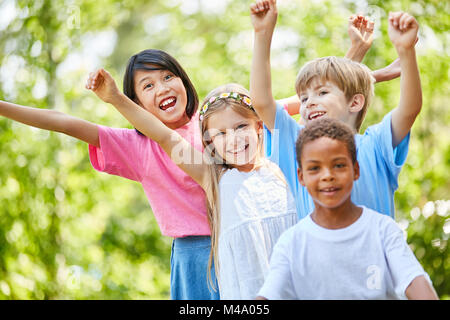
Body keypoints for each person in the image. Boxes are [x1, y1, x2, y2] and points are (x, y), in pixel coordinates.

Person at [0, 49, 219, 300]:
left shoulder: (213, 121)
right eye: (148, 85)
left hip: (239, 238)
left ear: (184, 80)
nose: (162, 88)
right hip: (193, 257)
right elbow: (63, 122)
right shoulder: (138, 147)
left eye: (168, 77)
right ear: (136, 106)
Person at [85, 71, 297, 299]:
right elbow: (165, 137)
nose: (234, 138)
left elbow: (323, 100)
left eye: (241, 127)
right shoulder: (216, 180)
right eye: (222, 133)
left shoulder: (282, 170)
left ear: (258, 126)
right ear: (210, 142)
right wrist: (116, 98)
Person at [250, 0, 422, 219]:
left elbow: (409, 109)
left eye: (322, 93)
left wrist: (406, 53)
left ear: (355, 102)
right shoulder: (297, 146)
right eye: (303, 98)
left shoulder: (377, 145)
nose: (309, 103)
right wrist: (262, 34)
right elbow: (262, 102)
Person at [256, 118, 438, 300]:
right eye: (314, 168)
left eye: (339, 165)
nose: (327, 176)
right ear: (301, 177)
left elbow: (415, 282)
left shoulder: (383, 230)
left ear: (356, 169)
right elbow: (268, 296)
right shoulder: (291, 243)